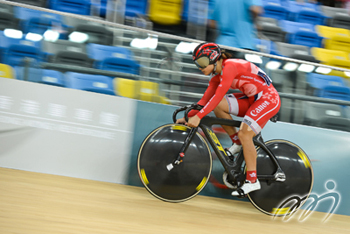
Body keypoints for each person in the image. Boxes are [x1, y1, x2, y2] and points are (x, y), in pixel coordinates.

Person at [176, 42, 281, 196]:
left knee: (245, 134)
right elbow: (204, 101)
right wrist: (188, 115)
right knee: (219, 106)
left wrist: (199, 117)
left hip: (268, 99)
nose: (200, 67)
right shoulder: (216, 77)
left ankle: (252, 181)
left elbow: (218, 94)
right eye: (197, 63)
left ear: (213, 58)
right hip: (253, 99)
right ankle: (237, 143)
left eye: (203, 62)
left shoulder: (229, 66)